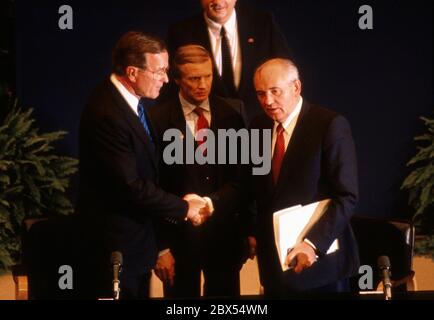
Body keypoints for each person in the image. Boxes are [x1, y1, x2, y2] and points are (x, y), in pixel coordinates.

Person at [76, 31, 209, 299]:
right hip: (114, 251)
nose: (165, 78)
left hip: (135, 246)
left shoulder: (130, 103)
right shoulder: (107, 113)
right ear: (132, 72)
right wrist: (184, 207)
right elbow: (130, 186)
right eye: (159, 71)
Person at [249, 58, 360, 297]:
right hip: (274, 266)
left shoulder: (329, 124)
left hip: (321, 264)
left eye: (275, 91)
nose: (267, 101)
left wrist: (311, 245)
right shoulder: (257, 127)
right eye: (260, 93)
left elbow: (346, 197)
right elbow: (254, 187)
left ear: (296, 87)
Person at [149, 45, 248, 298]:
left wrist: (248, 228)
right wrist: (161, 249)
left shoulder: (233, 113)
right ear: (177, 80)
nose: (203, 84)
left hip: (225, 239)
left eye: (208, 76)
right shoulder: (156, 120)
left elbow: (243, 179)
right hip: (178, 241)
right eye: (194, 78)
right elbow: (152, 187)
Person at [163, 0, 291, 124]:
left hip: (261, 127)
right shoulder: (180, 32)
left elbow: (286, 74)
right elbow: (169, 88)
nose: (218, 2)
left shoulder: (263, 24)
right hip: (209, 133)